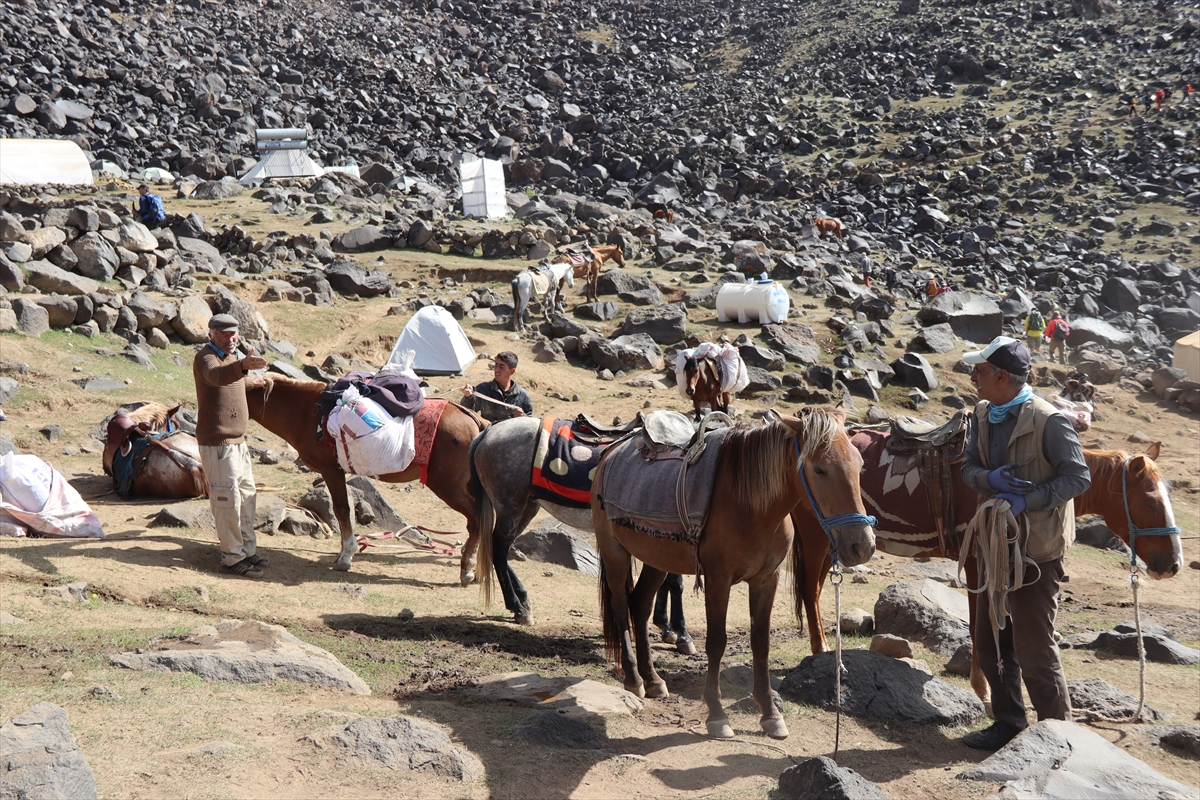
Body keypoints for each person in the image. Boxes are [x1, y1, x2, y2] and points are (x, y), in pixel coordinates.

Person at [959, 336, 1091, 751]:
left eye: (979, 371)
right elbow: (968, 467)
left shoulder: (1050, 421)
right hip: (995, 547)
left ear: (1001, 375)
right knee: (991, 641)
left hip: (1036, 553)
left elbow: (1077, 478)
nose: (973, 378)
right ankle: (1009, 724)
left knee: (1034, 650)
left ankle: (1058, 738)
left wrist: (1026, 499)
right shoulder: (982, 414)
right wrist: (988, 480)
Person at [193, 314, 269, 578]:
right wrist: (243, 366)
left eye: (234, 333)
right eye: (224, 334)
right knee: (227, 500)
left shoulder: (232, 359)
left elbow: (234, 380)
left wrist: (254, 380)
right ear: (211, 334)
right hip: (218, 444)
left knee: (247, 497)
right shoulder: (206, 358)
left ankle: (247, 551)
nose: (231, 338)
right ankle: (232, 558)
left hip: (238, 441)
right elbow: (216, 377)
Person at [460, 351, 533, 423]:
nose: (496, 369)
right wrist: (468, 397)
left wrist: (523, 416)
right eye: (496, 365)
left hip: (513, 434)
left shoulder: (522, 395)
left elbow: (530, 421)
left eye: (501, 367)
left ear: (512, 371)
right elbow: (466, 413)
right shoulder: (484, 389)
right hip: (488, 433)